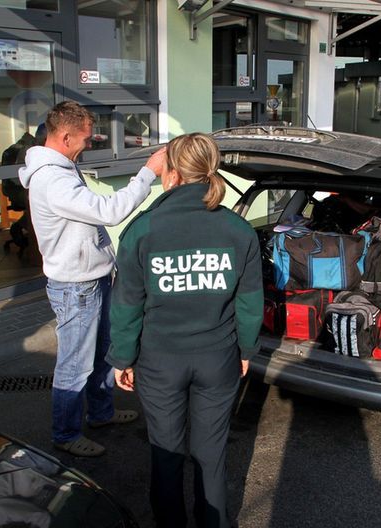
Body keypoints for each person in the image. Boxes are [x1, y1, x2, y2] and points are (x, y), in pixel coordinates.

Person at [107, 132, 263, 528]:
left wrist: (122, 357)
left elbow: (127, 303)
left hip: (161, 361)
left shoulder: (143, 230)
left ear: (172, 174)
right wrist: (245, 350)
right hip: (218, 358)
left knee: (167, 453)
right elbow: (249, 303)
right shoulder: (239, 230)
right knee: (211, 455)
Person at [19, 101, 164, 457]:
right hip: (76, 287)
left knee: (102, 352)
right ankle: (65, 435)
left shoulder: (63, 168)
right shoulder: (53, 179)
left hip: (92, 278)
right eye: (85, 138)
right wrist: (147, 173)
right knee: (75, 364)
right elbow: (108, 212)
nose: (88, 144)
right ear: (65, 136)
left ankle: (100, 413)